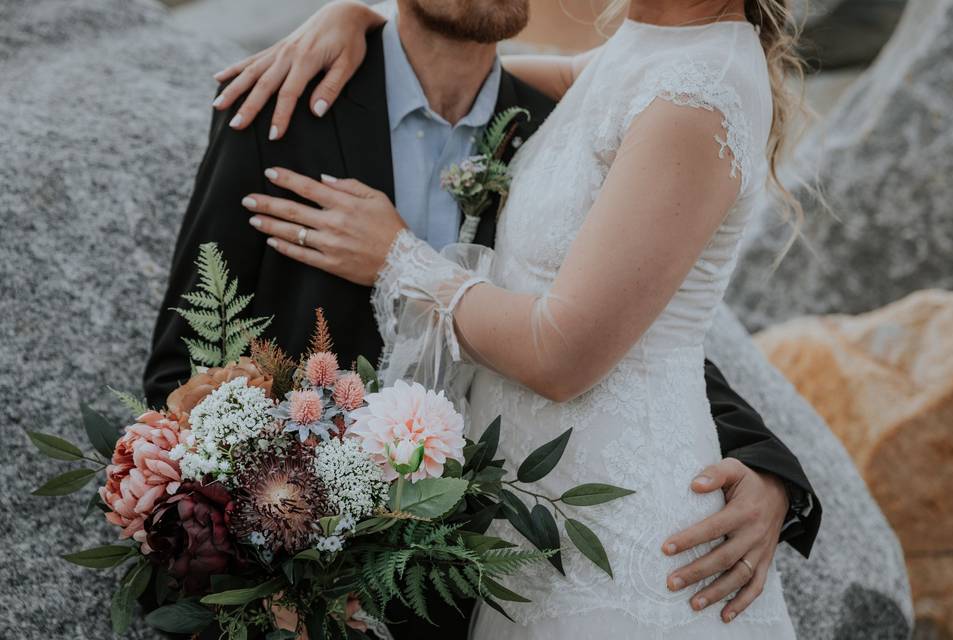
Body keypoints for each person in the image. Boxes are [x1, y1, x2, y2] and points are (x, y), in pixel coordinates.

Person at [146, 0, 821, 637]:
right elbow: (183, 369)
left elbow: (622, 334)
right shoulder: (289, 108)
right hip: (298, 578)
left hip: (512, 569)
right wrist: (353, 15)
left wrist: (766, 469)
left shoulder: (567, 113)